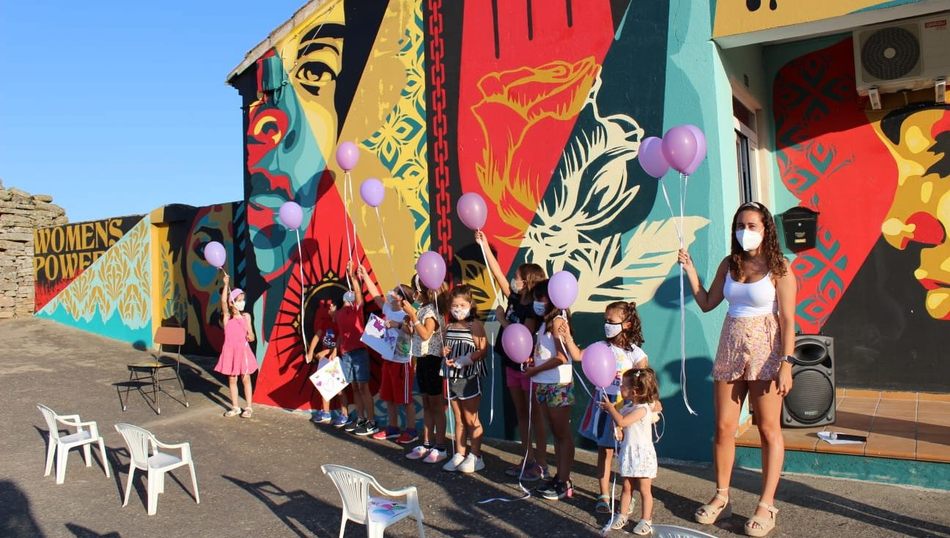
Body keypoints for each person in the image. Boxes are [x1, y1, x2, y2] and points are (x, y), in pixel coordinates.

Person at [678, 201, 796, 537]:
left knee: (768, 429)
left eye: (752, 225)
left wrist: (787, 363)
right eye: (740, 225)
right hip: (730, 346)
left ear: (766, 229)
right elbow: (706, 302)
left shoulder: (780, 268)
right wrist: (690, 271)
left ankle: (766, 504)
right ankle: (721, 496)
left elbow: (788, 320)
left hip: (767, 352)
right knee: (724, 426)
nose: (745, 231)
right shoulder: (729, 264)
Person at [474, 230, 549, 481]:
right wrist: (485, 245)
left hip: (527, 367)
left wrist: (502, 319)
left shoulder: (532, 307)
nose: (513, 280)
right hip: (509, 363)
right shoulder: (516, 298)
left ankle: (540, 463)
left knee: (534, 415)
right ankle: (526, 458)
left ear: (527, 281)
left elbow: (524, 336)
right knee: (521, 414)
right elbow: (497, 276)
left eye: (517, 277)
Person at [577, 301, 650, 514]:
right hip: (604, 405)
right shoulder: (601, 347)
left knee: (627, 455)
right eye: (605, 321)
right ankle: (604, 494)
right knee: (605, 452)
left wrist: (651, 404)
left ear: (626, 325)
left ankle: (628, 496)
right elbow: (577, 355)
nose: (607, 325)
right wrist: (565, 337)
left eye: (611, 321)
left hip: (625, 409)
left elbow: (643, 382)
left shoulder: (636, 354)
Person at [525, 280, 577, 500]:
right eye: (535, 298)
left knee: (562, 434)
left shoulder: (557, 321)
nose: (537, 302)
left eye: (541, 298)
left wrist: (534, 369)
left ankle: (565, 482)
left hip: (558, 384)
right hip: (543, 382)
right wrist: (532, 363)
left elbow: (561, 357)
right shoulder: (544, 323)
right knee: (556, 434)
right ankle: (559, 477)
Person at [358, 265, 419, 444]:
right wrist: (364, 276)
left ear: (403, 300)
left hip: (403, 362)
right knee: (388, 396)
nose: (391, 294)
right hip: (388, 360)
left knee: (406, 399)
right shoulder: (388, 309)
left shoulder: (408, 314)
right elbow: (376, 295)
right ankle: (392, 428)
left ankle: (411, 430)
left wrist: (397, 325)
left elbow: (412, 331)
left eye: (395, 293)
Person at [601, 368, 659, 535]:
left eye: (623, 385)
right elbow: (623, 427)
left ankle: (646, 519)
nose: (620, 387)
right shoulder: (628, 407)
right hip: (629, 453)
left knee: (644, 490)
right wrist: (619, 432)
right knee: (626, 487)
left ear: (634, 391)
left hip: (642, 455)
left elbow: (623, 421)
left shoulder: (643, 409)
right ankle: (622, 514)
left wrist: (610, 408)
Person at [440, 285, 489, 474]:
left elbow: (483, 350)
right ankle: (460, 454)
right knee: (458, 418)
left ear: (470, 304)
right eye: (454, 305)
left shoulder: (474, 325)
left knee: (470, 418)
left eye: (462, 304)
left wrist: (467, 359)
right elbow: (444, 348)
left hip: (469, 378)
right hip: (451, 377)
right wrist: (444, 352)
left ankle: (476, 456)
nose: (458, 308)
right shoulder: (449, 326)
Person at [403, 274, 449, 464]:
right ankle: (427, 442)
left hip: (432, 360)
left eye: (415, 290)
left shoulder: (431, 310)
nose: (413, 295)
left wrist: (413, 317)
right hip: (421, 359)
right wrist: (409, 321)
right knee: (427, 404)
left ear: (421, 291)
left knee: (436, 405)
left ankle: (441, 446)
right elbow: (415, 332)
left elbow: (425, 334)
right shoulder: (421, 309)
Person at [337, 262, 378, 436]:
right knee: (354, 387)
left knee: (363, 387)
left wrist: (353, 276)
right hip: (346, 353)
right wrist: (337, 352)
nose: (351, 296)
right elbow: (340, 334)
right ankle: (360, 418)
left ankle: (372, 421)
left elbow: (360, 295)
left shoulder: (357, 311)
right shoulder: (339, 314)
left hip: (359, 352)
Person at [215, 274, 258, 418]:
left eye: (243, 300)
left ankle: (249, 407)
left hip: (243, 352)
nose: (242, 302)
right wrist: (226, 284)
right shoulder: (227, 318)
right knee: (232, 379)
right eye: (239, 300)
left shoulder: (246, 317)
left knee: (246, 379)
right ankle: (235, 407)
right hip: (230, 352)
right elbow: (223, 303)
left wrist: (250, 336)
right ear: (232, 303)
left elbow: (252, 335)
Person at [305, 303, 348, 426]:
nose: (330, 307)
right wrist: (310, 352)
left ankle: (344, 415)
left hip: (336, 360)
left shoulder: (340, 324)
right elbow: (317, 337)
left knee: (339, 389)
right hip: (325, 361)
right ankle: (326, 412)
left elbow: (341, 342)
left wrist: (327, 351)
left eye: (333, 306)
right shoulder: (325, 322)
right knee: (324, 386)